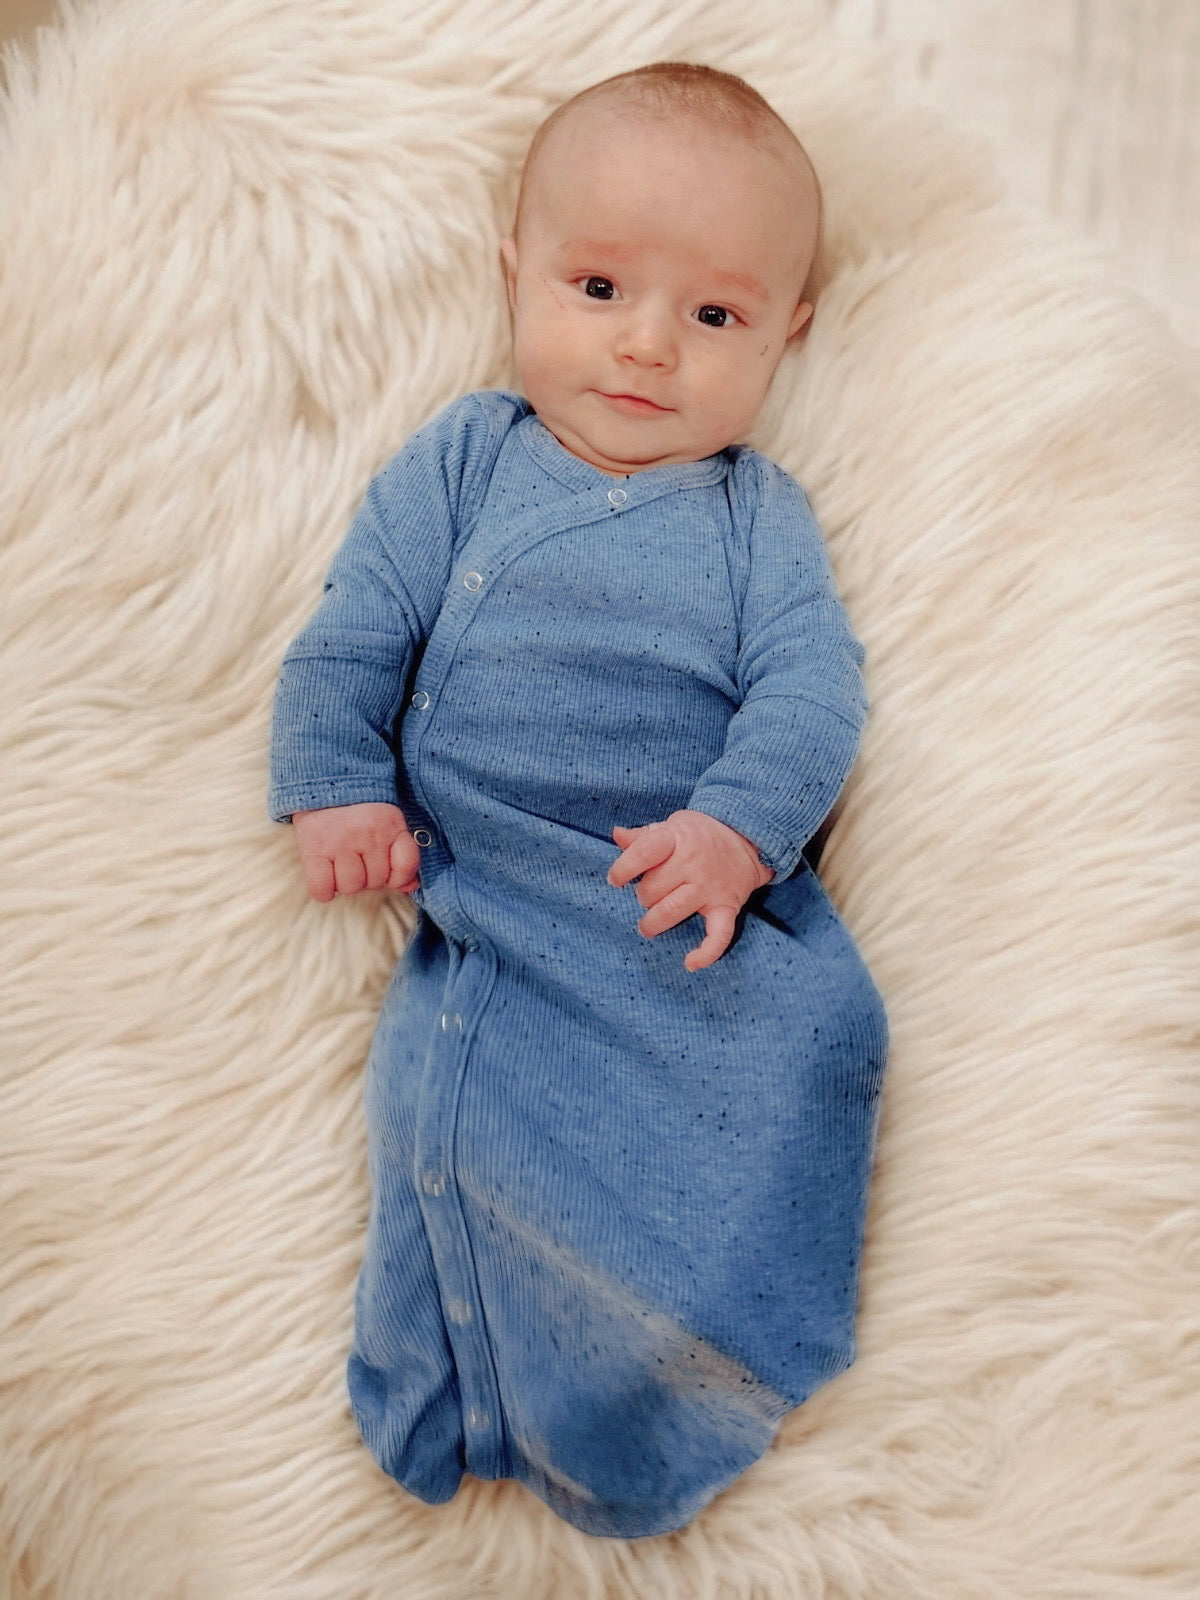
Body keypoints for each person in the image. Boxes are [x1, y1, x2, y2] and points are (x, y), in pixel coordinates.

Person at [268, 61, 889, 1539]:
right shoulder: (469, 461)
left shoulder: (756, 520)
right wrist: (335, 784)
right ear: (516, 272)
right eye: (601, 285)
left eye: (716, 315)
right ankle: (459, 1382)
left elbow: (814, 691)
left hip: (675, 899)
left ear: (788, 335)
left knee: (805, 1049)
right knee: (457, 1105)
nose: (648, 349)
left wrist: (739, 828)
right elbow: (352, 630)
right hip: (497, 903)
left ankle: (671, 1364)